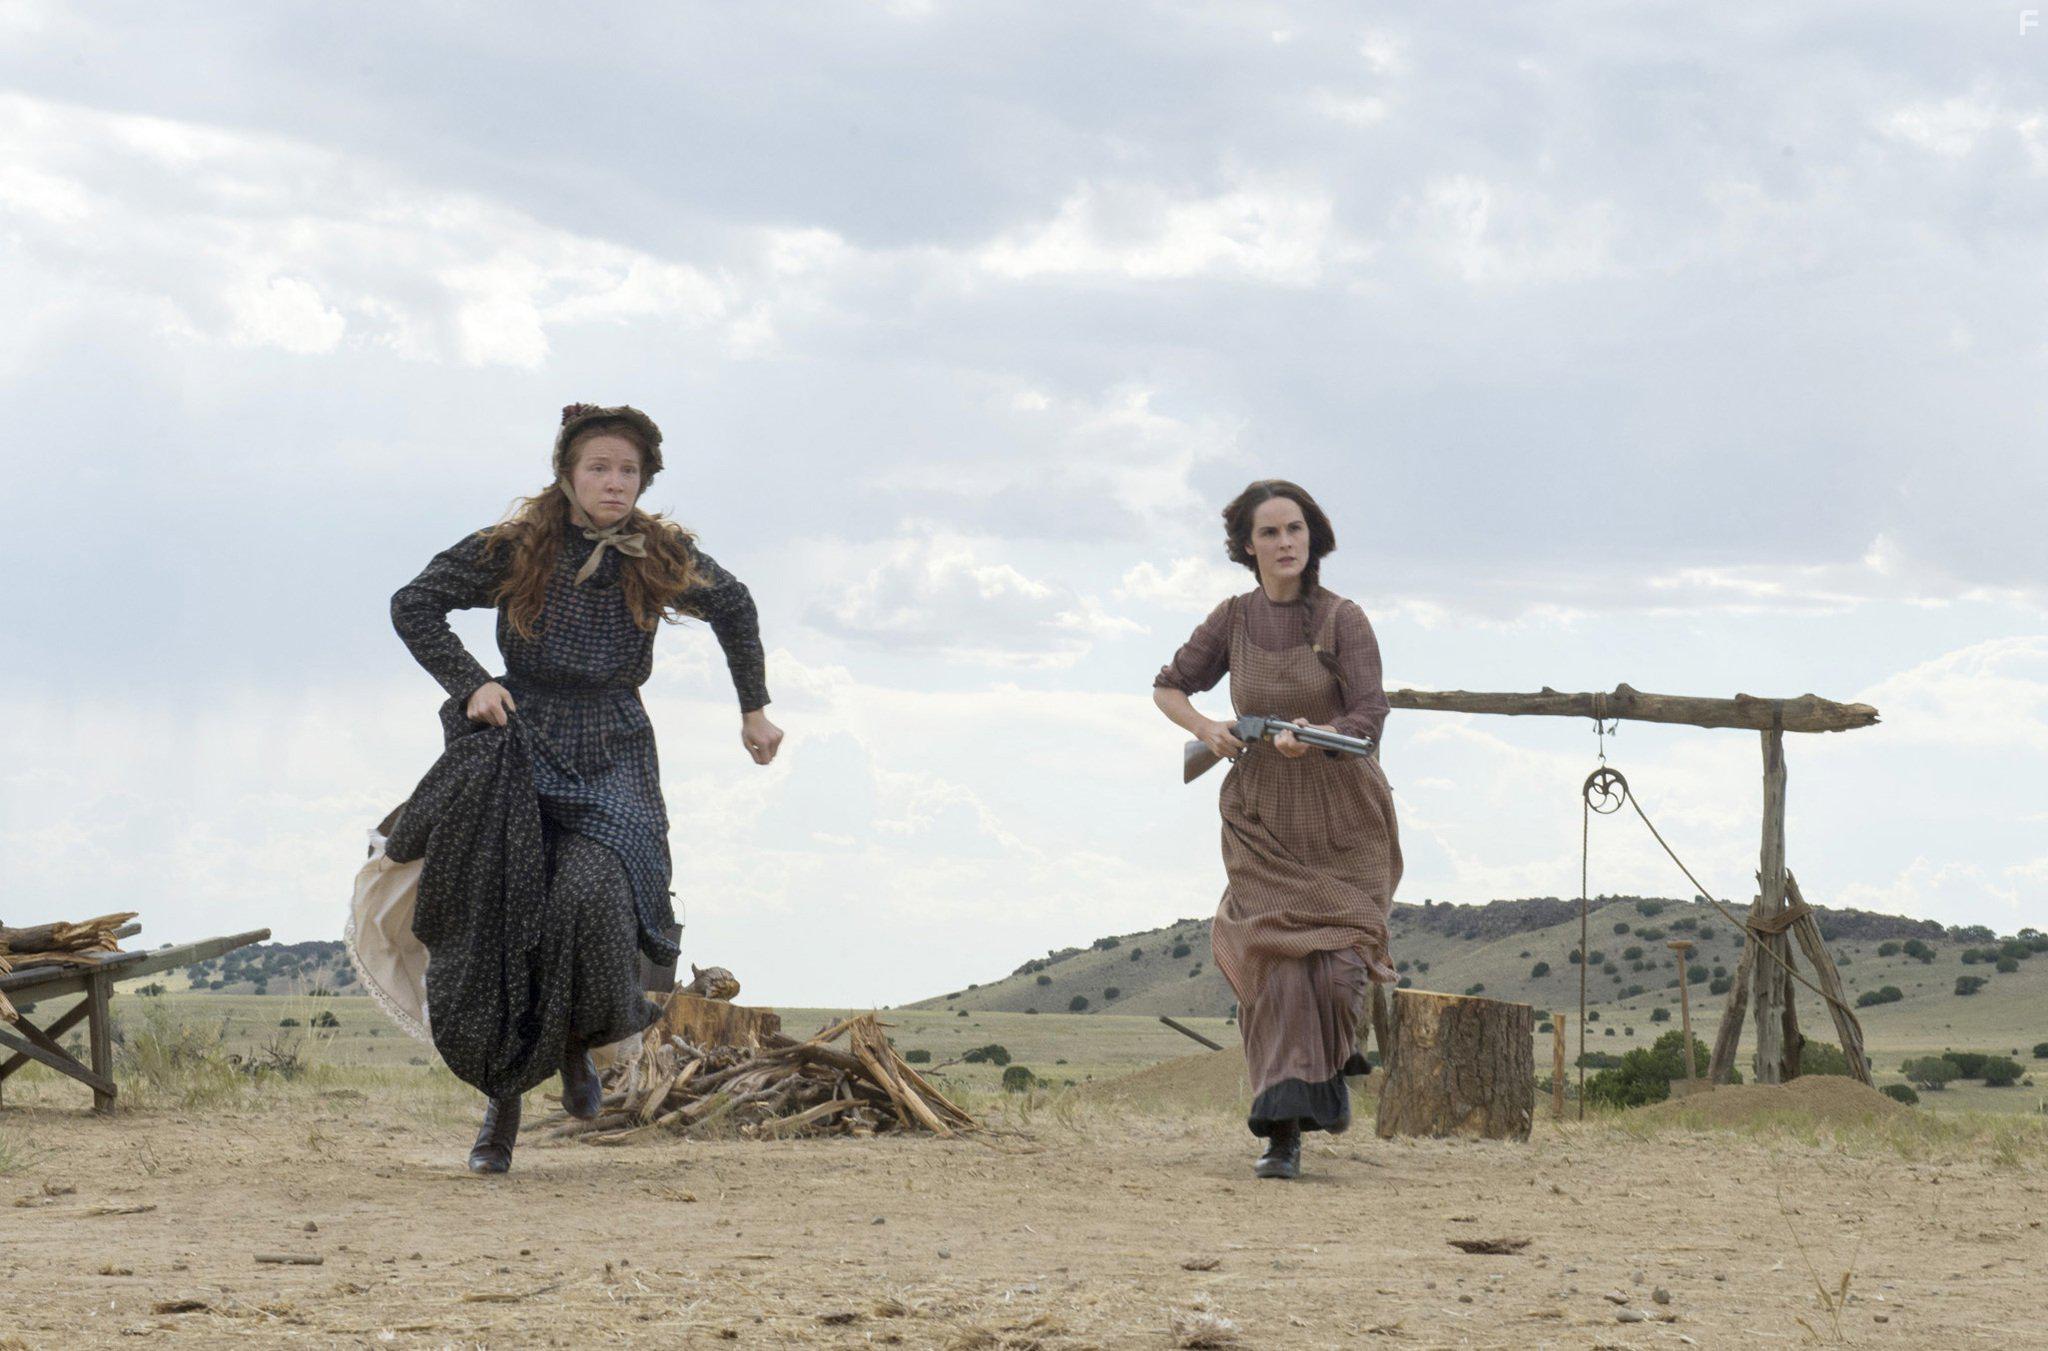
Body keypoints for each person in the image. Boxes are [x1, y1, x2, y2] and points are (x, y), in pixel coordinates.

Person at [389, 403, 782, 1173]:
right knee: (515, 916)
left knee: (595, 893)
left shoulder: (657, 550)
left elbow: (734, 605)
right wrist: (471, 682)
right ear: (567, 474)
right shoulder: (517, 546)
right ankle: (501, 1109)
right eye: (598, 467)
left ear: (646, 478)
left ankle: (575, 1042)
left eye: (627, 470)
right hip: (522, 738)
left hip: (614, 744)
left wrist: (754, 708)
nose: (613, 482)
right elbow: (414, 603)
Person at [1151, 480, 1401, 1180]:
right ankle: (1282, 1132)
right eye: (1270, 532)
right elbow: (1168, 684)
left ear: (1313, 537)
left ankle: (1329, 1069)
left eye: (1296, 529)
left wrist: (1316, 736)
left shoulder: (1344, 620)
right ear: (1247, 545)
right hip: (1262, 814)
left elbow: (1370, 715)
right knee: (1273, 961)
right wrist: (1208, 728)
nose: (1285, 542)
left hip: (1344, 813)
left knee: (1340, 955)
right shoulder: (1230, 619)